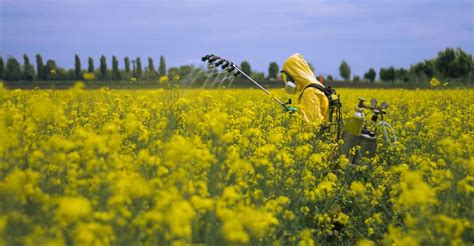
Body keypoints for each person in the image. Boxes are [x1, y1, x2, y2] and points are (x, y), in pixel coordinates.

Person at [281, 53, 329, 128]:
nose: (287, 80)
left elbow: (312, 126)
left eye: (287, 76)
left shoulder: (310, 92)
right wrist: (297, 113)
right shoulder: (316, 86)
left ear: (295, 74)